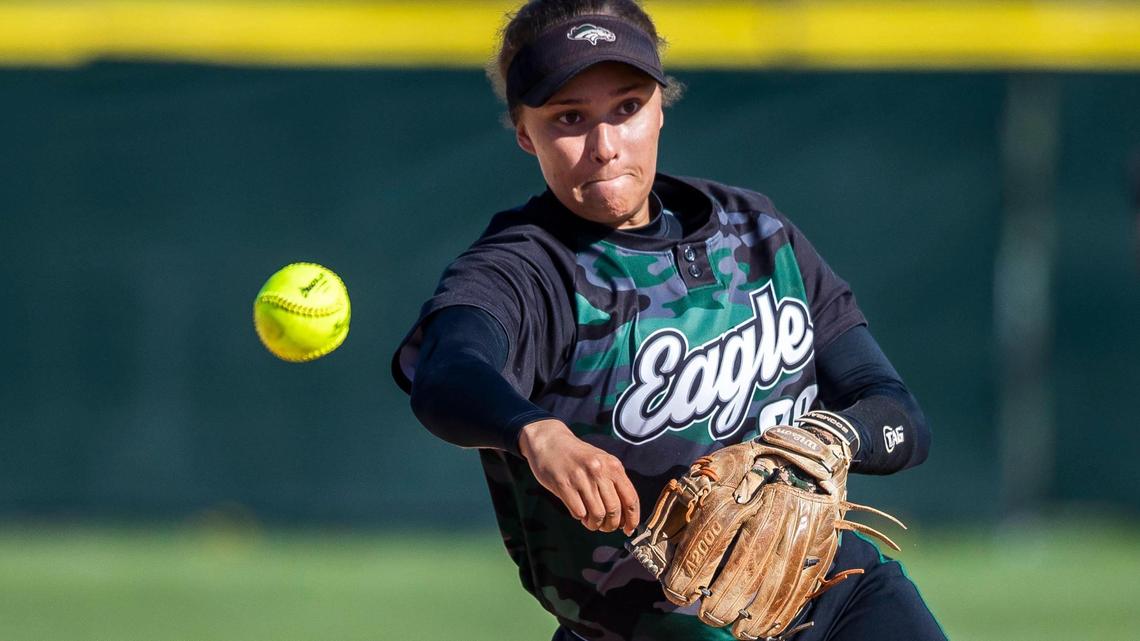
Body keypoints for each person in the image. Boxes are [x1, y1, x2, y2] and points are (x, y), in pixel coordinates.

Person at [391, 1, 947, 639]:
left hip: (837, 592)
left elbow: (898, 413)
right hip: (653, 628)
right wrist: (533, 432)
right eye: (569, 118)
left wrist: (834, 442)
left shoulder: (757, 232)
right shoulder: (526, 269)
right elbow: (447, 372)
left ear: (660, 106)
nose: (604, 146)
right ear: (524, 132)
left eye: (626, 108)